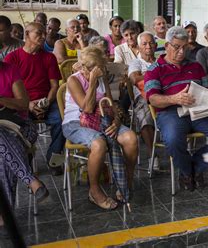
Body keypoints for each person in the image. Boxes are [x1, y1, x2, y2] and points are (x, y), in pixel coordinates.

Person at [145, 26, 208, 191]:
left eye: (184, 47)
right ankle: (189, 172)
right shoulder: (154, 70)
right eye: (176, 47)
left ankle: (194, 167)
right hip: (171, 112)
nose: (181, 52)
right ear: (166, 46)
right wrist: (174, 98)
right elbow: (153, 99)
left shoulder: (195, 67)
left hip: (199, 110)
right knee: (173, 139)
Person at [62, 46, 138, 210]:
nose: (101, 71)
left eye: (101, 68)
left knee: (131, 138)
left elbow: (112, 105)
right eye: (97, 69)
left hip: (103, 119)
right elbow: (87, 108)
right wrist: (92, 82)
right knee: (99, 143)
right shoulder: (73, 80)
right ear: (84, 67)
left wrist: (117, 121)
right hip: (75, 123)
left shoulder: (102, 78)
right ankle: (94, 190)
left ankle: (126, 183)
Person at [4, 23, 65, 176]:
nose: (43, 36)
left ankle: (53, 159)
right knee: (22, 125)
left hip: (47, 101)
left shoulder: (49, 57)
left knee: (62, 119)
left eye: (44, 33)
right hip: (22, 103)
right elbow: (8, 89)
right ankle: (26, 160)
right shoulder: (13, 58)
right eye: (39, 33)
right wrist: (29, 105)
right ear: (27, 34)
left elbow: (54, 86)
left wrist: (46, 103)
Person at [0, 61, 49, 208]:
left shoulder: (9, 69)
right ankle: (30, 180)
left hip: (20, 126)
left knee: (3, 157)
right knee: (2, 159)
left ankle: (3, 220)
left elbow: (23, 103)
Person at [128, 32, 157, 168]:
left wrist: (144, 75)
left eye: (151, 43)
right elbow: (134, 79)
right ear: (138, 48)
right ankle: (152, 154)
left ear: (156, 45)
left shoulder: (161, 60)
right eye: (144, 44)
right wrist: (153, 74)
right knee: (145, 116)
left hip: (162, 94)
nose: (148, 46)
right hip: (142, 97)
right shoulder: (136, 62)